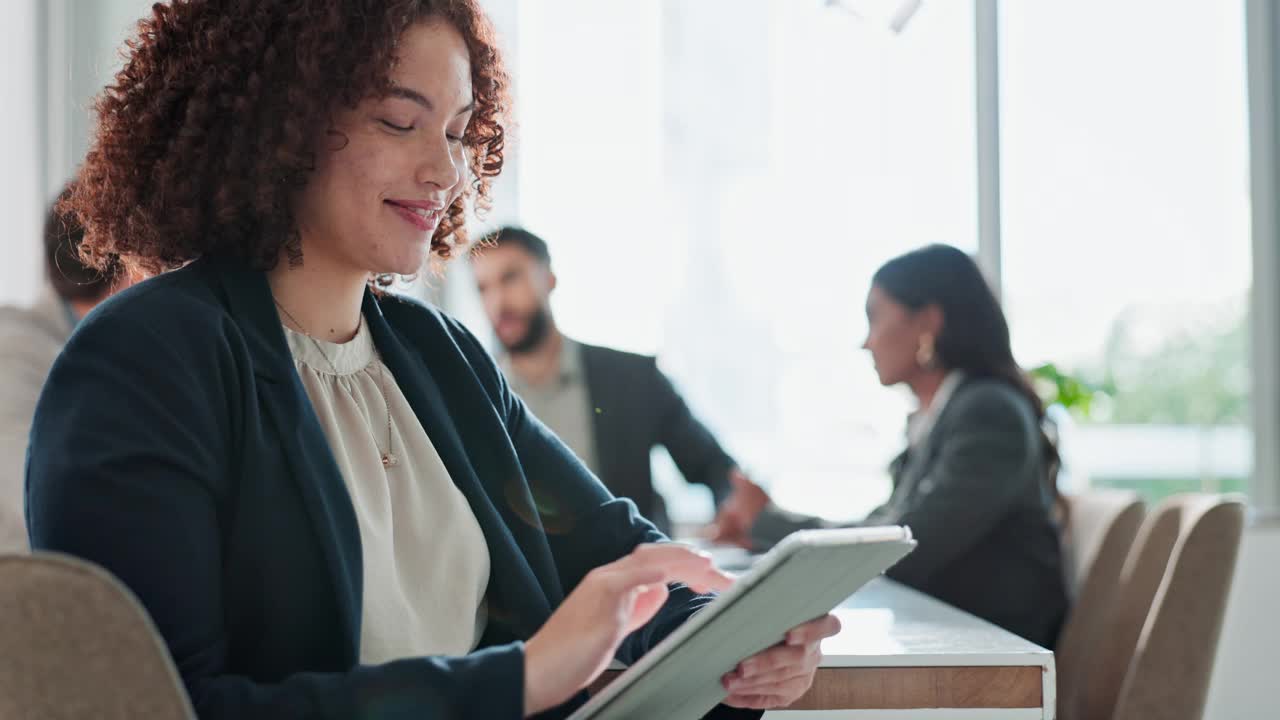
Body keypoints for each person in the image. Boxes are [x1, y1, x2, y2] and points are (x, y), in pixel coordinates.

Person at [25, 2, 837, 718]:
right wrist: (519, 682)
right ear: (279, 122)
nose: (446, 171)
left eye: (456, 132)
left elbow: (616, 556)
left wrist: (743, 639)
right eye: (398, 121)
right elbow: (147, 705)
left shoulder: (439, 359)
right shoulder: (146, 361)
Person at [709, 244, 1068, 649]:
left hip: (998, 654)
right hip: (957, 636)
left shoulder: (987, 412)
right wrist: (768, 529)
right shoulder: (944, 414)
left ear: (927, 322)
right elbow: (891, 524)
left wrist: (768, 522)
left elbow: (906, 545)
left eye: (874, 317)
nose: (867, 342)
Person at [471, 226, 749, 535]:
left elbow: (714, 466)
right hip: (532, 581)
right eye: (483, 288)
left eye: (510, 278)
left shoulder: (632, 378)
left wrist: (732, 506)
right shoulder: (478, 396)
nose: (497, 303)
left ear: (549, 279)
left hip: (638, 573)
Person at [0, 186, 135, 553]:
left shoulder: (101, 349)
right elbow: (42, 501)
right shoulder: (15, 353)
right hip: (32, 597)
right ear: (126, 268)